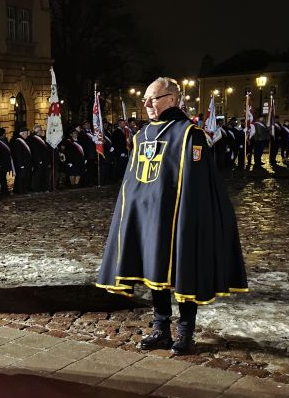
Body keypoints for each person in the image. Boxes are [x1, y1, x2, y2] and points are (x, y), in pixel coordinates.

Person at [95, 77, 247, 355]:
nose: (146, 104)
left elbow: (198, 183)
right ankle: (160, 329)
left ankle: (185, 332)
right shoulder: (141, 135)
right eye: (145, 99)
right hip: (147, 218)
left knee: (184, 270)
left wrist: (191, 217)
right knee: (154, 271)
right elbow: (133, 180)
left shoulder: (190, 134)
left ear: (172, 99)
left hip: (179, 217)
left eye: (152, 98)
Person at [28, 125, 52, 191]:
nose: (42, 131)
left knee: (44, 174)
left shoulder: (42, 138)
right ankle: (36, 188)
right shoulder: (34, 139)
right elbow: (35, 152)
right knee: (38, 175)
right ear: (38, 131)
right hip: (39, 161)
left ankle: (44, 187)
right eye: (41, 130)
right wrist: (39, 161)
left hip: (45, 160)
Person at [11, 126, 33, 193]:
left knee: (26, 177)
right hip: (22, 163)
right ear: (22, 133)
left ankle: (24, 189)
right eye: (26, 133)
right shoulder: (18, 142)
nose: (27, 135)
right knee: (21, 177)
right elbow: (18, 154)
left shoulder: (25, 140)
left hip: (26, 163)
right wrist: (21, 164)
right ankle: (19, 190)